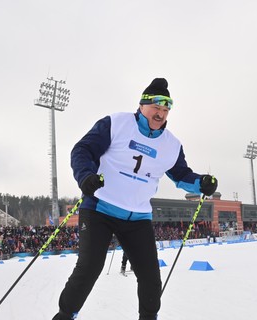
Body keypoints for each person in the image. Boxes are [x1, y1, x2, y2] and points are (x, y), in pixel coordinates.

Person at [53, 78, 218, 320]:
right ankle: (65, 316)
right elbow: (82, 150)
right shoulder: (117, 123)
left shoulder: (171, 144)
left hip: (138, 217)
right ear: (142, 105)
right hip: (100, 209)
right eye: (156, 108)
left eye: (165, 110)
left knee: (151, 277)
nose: (161, 114)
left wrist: (201, 182)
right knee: (89, 268)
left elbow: (181, 175)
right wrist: (85, 176)